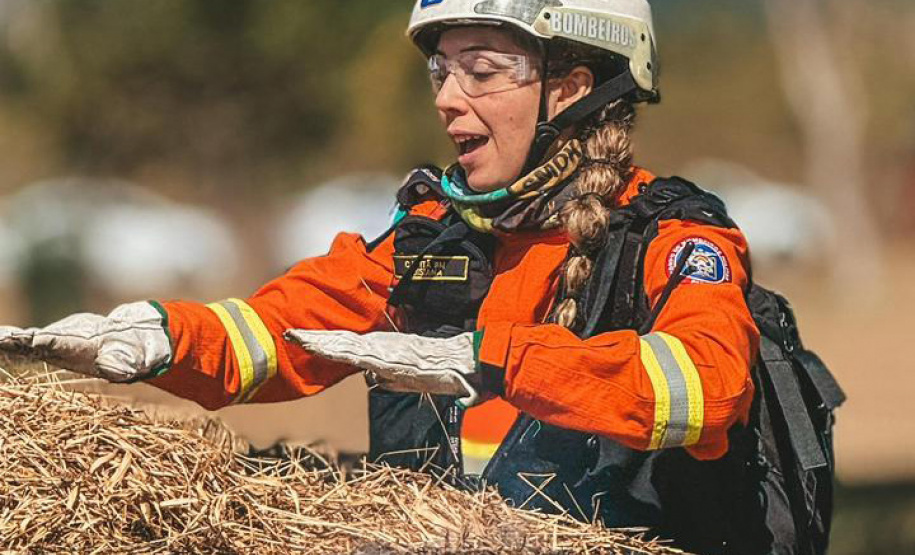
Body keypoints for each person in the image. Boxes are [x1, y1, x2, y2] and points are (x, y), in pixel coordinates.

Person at [0, 1, 769, 552]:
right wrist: (157, 336)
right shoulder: (426, 234)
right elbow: (283, 330)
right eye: (441, 69)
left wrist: (492, 358)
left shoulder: (671, 234)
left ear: (568, 88)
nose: (444, 98)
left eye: (481, 70)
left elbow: (707, 387)